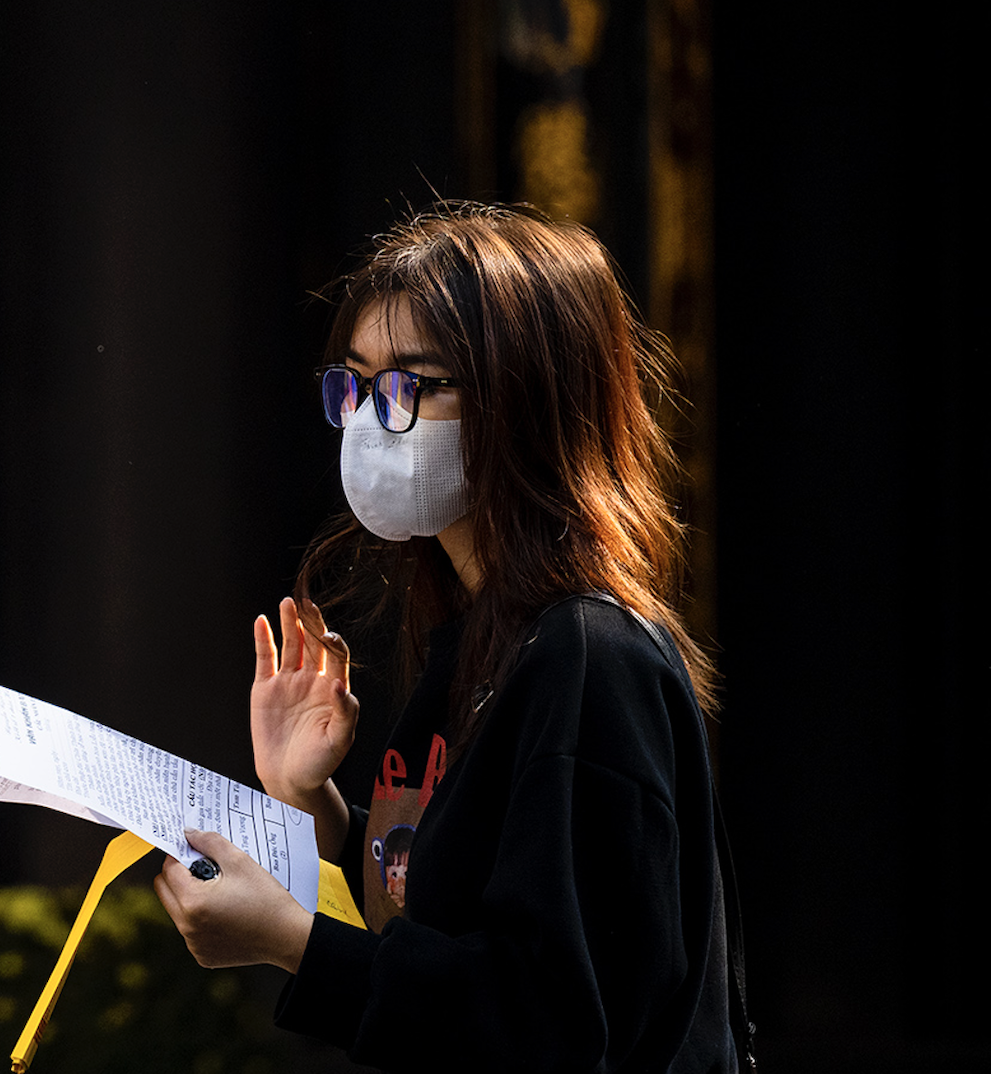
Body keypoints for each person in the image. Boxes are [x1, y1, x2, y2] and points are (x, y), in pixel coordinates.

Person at [153, 201, 740, 1071]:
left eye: (411, 385)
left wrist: (298, 945)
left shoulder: (586, 656)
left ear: (527, 399)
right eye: (353, 383)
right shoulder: (483, 637)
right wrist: (314, 806)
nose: (366, 418)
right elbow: (436, 913)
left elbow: (549, 1021)